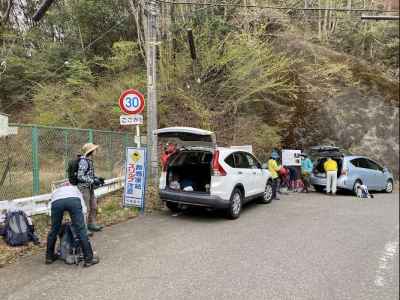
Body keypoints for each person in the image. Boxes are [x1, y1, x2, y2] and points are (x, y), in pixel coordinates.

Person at [45, 181, 99, 267]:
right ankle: (89, 259)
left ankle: (49, 257)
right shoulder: (75, 189)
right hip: (73, 200)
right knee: (81, 230)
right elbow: (83, 208)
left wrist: (53, 222)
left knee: (54, 230)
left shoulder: (56, 191)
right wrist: (83, 224)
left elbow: (50, 205)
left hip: (57, 202)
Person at [78, 143, 104, 233]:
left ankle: (91, 224)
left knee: (94, 206)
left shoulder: (89, 160)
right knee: (86, 209)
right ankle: (84, 229)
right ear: (91, 151)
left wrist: (97, 179)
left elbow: (89, 174)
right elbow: (80, 176)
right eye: (94, 150)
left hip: (90, 187)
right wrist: (93, 181)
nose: (96, 151)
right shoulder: (84, 161)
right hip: (84, 188)